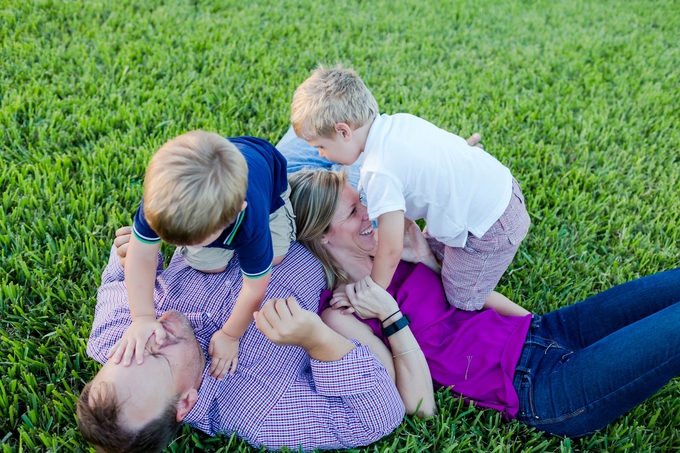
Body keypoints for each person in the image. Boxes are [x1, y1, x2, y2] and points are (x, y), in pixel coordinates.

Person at [288, 168, 680, 437]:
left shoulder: (395, 251)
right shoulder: (342, 314)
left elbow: (471, 299)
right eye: (354, 211)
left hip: (548, 332)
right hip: (540, 388)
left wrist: (427, 258)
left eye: (364, 201)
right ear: (323, 235)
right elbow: (419, 405)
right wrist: (390, 314)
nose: (370, 213)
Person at [76, 227, 406, 452]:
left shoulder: (109, 339)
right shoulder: (260, 414)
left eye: (129, 349)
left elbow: (119, 273)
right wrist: (318, 340)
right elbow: (376, 418)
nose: (152, 333)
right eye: (158, 355)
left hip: (250, 202)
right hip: (324, 232)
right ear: (186, 402)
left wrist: (133, 253)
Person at [290, 66, 530, 315]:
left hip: (488, 226)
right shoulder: (399, 123)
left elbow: (390, 250)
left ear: (343, 131)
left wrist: (371, 291)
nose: (321, 155)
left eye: (320, 146)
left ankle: (528, 319)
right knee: (434, 251)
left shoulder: (378, 171)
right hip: (499, 189)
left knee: (461, 295)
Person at [112, 131, 297, 380]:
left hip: (269, 183)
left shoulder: (251, 221)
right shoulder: (158, 201)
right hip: (223, 191)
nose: (174, 245)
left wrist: (230, 335)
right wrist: (142, 318)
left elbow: (255, 288)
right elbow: (141, 256)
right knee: (206, 264)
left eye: (191, 240)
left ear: (234, 214)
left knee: (274, 257)